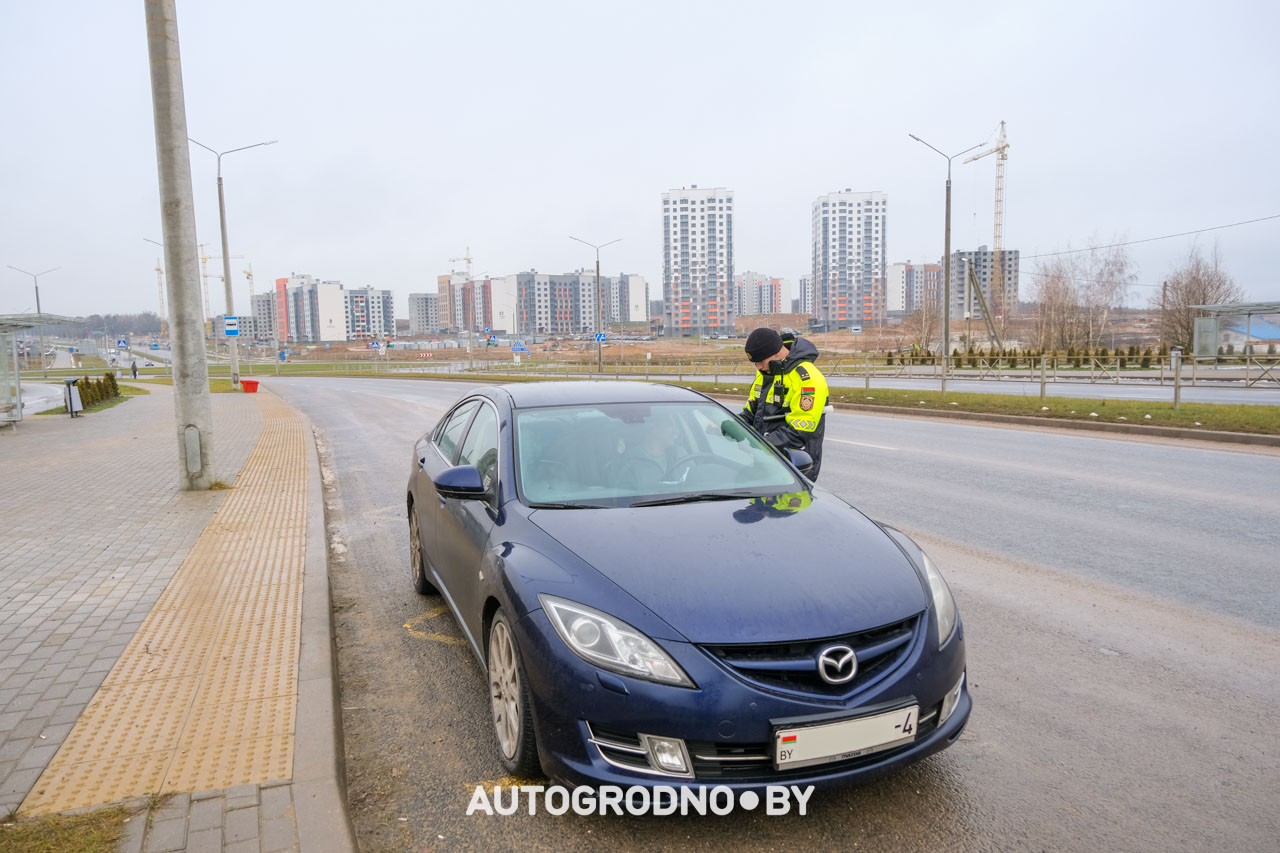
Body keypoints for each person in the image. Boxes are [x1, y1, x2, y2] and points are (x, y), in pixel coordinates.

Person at [741, 327, 829, 481]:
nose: (758, 367)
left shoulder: (808, 379)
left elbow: (799, 432)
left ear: (776, 353)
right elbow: (751, 413)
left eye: (761, 361)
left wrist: (761, 444)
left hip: (794, 466)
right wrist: (728, 424)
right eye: (755, 363)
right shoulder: (765, 373)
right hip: (765, 459)